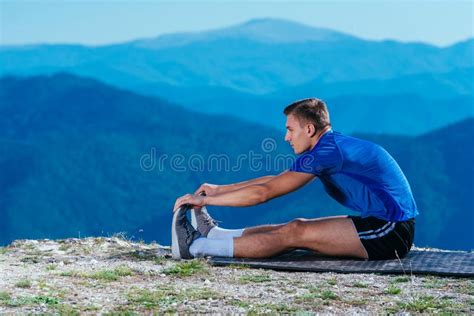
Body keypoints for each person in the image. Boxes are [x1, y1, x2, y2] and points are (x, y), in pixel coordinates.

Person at [172, 98, 417, 261]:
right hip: (380, 222)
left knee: (295, 233)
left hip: (390, 232)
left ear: (309, 129)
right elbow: (276, 180)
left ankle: (196, 247)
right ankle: (216, 235)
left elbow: (264, 193)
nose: (286, 137)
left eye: (290, 129)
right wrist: (218, 190)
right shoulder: (327, 146)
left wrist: (203, 201)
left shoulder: (327, 152)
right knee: (293, 226)